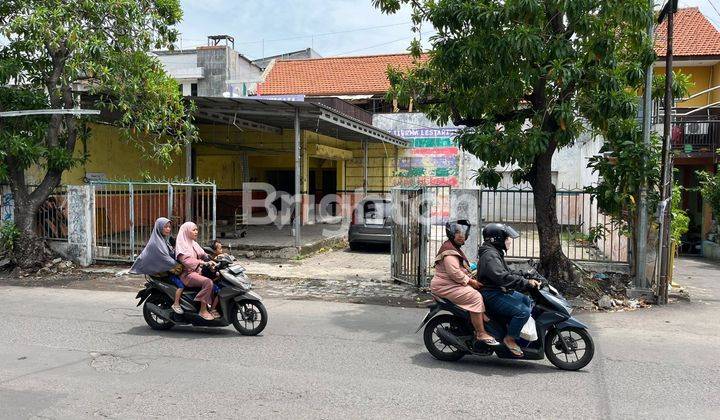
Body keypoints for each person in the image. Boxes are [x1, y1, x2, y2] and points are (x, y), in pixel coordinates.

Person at [430, 220, 500, 348]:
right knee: (475, 297)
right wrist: (471, 281)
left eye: (463, 233)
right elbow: (454, 273)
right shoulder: (449, 251)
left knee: (482, 292)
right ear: (451, 234)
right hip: (446, 286)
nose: (462, 236)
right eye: (458, 233)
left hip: (451, 284)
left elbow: (461, 269)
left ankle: (480, 315)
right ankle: (481, 333)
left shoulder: (452, 247)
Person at [477, 223, 541, 357]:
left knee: (526, 300)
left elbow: (507, 271)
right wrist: (526, 283)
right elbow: (502, 278)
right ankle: (509, 338)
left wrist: (525, 274)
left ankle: (510, 329)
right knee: (523, 312)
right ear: (497, 239)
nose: (509, 241)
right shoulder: (490, 256)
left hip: (498, 290)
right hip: (492, 294)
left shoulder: (494, 252)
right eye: (506, 238)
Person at [130, 217, 185, 314]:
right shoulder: (156, 243)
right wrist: (177, 265)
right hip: (161, 273)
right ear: (159, 228)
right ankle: (176, 304)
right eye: (166, 227)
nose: (168, 229)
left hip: (167, 270)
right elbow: (165, 259)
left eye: (169, 227)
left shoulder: (164, 240)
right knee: (181, 285)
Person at [175, 222, 218, 321]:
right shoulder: (182, 245)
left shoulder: (193, 243)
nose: (196, 232)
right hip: (188, 275)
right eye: (193, 230)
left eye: (196, 230)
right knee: (208, 282)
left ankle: (212, 307)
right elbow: (186, 261)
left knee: (216, 278)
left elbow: (203, 254)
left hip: (198, 271)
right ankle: (203, 310)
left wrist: (213, 258)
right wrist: (203, 263)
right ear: (186, 231)